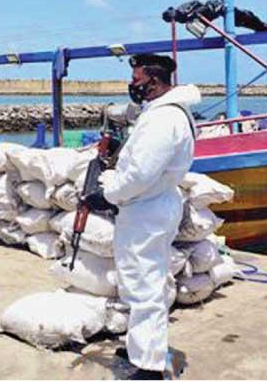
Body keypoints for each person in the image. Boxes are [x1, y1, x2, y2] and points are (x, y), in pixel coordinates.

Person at [83, 53, 200, 379]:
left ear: (155, 80)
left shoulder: (163, 120)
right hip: (151, 205)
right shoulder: (167, 113)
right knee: (143, 281)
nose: (133, 86)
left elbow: (139, 175)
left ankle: (149, 366)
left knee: (144, 286)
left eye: (137, 80)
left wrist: (106, 194)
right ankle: (142, 347)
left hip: (147, 209)